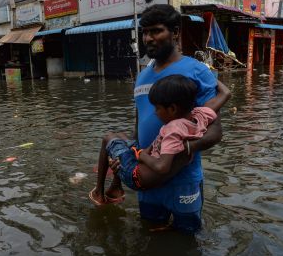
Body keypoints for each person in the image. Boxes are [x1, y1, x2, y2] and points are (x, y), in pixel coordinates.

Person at [106, 5, 228, 233]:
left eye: (155, 31)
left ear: (175, 32)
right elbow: (138, 128)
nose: (148, 38)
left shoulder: (196, 71)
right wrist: (127, 159)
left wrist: (176, 154)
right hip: (148, 179)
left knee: (186, 238)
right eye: (144, 32)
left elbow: (214, 132)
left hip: (183, 179)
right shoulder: (142, 75)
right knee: (151, 232)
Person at [89, 75, 230, 206]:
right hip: (147, 168)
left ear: (173, 109)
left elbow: (162, 167)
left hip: (136, 177)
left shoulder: (173, 130)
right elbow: (225, 93)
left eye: (157, 108)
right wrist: (207, 75)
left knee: (108, 139)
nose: (155, 112)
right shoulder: (200, 115)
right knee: (121, 137)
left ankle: (99, 194)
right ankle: (115, 187)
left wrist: (143, 156)